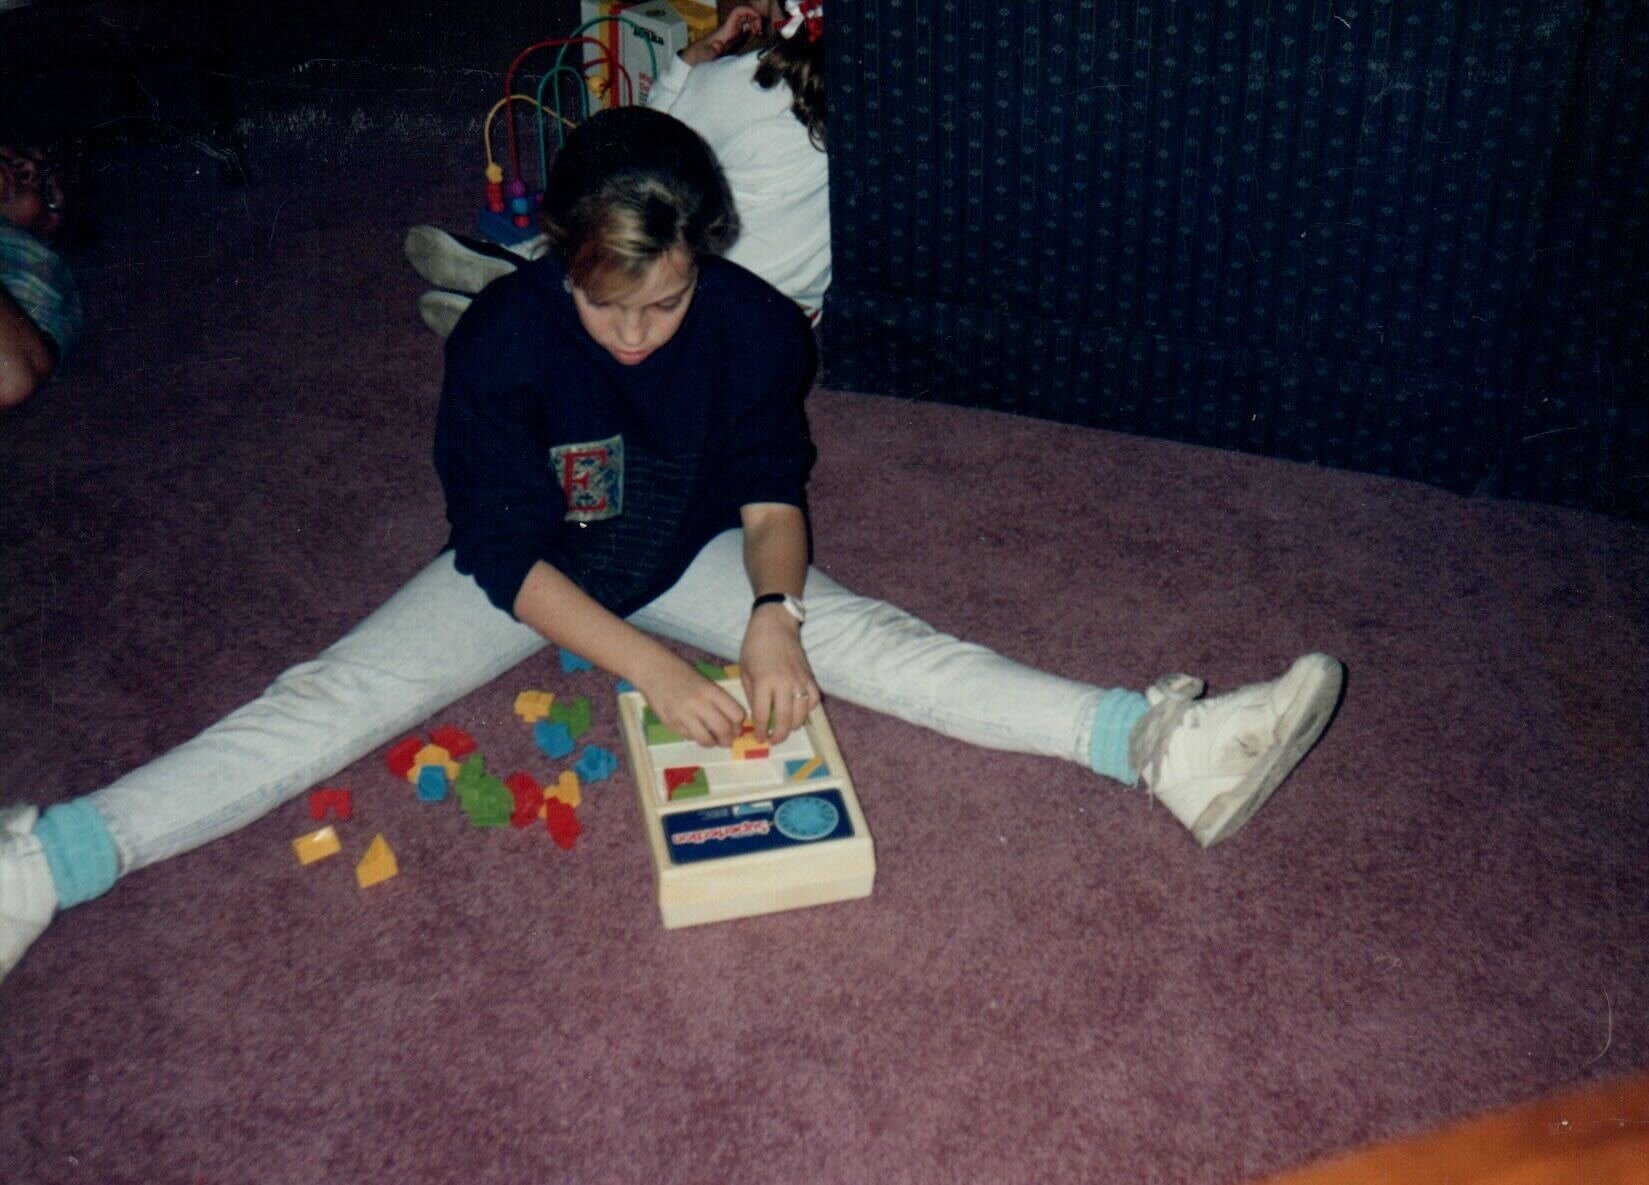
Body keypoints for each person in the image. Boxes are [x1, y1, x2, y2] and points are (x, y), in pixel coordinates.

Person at [0, 108, 1344, 986]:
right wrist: (646, 664)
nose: (639, 335)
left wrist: (771, 611)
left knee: (873, 644)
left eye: (666, 300)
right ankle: (44, 859)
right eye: (610, 308)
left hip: (690, 545)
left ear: (703, 256)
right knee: (334, 697)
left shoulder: (754, 324)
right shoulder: (503, 341)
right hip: (536, 575)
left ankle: (1155, 742)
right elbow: (499, 549)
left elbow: (768, 481)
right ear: (555, 259)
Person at [406, 0, 829, 336]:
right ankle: (525, 264)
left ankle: (526, 297)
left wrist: (688, 63)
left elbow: (644, 143)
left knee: (621, 198)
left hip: (690, 296)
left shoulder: (744, 82)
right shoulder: (856, 88)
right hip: (790, 313)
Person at [0, 143, 82, 409]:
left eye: (47, 190)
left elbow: (11, 378)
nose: (29, 167)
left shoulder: (34, 258)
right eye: (19, 153)